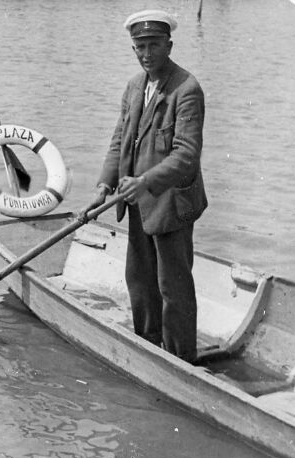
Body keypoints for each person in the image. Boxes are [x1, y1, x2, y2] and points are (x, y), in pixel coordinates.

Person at [80, 10, 208, 363]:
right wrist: (104, 186)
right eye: (139, 46)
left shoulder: (187, 89)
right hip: (134, 200)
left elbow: (187, 155)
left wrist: (145, 182)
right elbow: (119, 139)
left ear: (169, 45)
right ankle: (150, 351)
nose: (146, 53)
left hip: (171, 204)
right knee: (139, 281)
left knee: (173, 288)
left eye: (153, 45)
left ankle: (183, 362)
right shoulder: (135, 86)